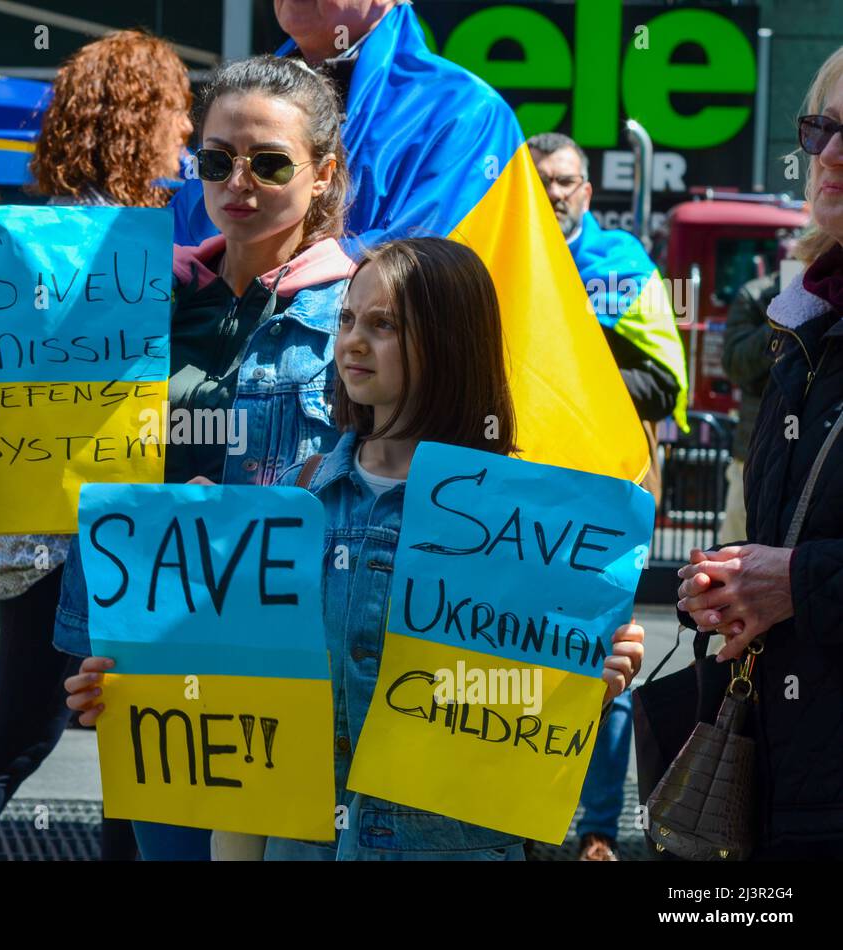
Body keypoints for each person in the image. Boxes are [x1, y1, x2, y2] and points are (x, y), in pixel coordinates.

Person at [65, 238, 647, 860]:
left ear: (452, 342)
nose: (351, 341)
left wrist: (588, 680)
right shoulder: (292, 502)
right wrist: (138, 688)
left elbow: (522, 714)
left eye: (384, 324)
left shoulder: (526, 527)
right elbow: (232, 687)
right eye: (346, 319)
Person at [57, 54, 356, 860]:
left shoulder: (364, 314)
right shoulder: (144, 300)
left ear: (324, 174)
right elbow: (36, 425)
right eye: (217, 160)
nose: (238, 183)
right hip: (164, 656)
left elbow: (401, 479)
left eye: (269, 163)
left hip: (303, 663)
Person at [0, 30, 193, 862]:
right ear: (142, 117)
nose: (189, 135)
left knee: (89, 743)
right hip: (93, 530)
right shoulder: (123, 244)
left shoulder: (27, 236)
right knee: (42, 739)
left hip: (61, 525)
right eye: (180, 115)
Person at [677, 46, 843, 859]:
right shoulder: (804, 318)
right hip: (783, 784)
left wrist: (798, 582)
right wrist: (728, 588)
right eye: (823, 129)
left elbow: (803, 569)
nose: (832, 156)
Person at [527, 131, 688, 862]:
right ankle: (518, 814)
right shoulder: (499, 261)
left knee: (606, 665)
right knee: (512, 652)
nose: (553, 193)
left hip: (606, 497)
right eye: (539, 181)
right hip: (517, 497)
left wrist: (569, 366)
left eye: (565, 182)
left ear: (587, 193)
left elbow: (664, 382)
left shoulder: (625, 267)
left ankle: (596, 825)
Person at [171, 1, 514, 251]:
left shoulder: (468, 111)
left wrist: (296, 269)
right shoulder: (240, 98)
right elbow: (184, 229)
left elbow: (426, 266)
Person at [721, 271, 779, 541]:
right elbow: (735, 364)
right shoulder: (756, 295)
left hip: (811, 451)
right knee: (736, 545)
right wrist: (781, 321)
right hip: (755, 451)